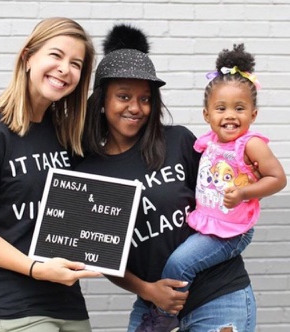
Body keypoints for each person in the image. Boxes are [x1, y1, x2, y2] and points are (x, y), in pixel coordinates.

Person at [76, 24, 260, 332]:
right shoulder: (90, 169)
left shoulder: (177, 142)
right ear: (102, 100)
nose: (135, 108)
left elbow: (225, 188)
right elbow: (104, 255)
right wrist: (148, 291)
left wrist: (250, 177)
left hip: (218, 296)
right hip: (154, 304)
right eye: (123, 96)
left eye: (145, 99)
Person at [0, 17, 101, 332]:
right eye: (56, 55)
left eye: (76, 63)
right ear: (27, 58)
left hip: (68, 302)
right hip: (11, 307)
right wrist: (37, 269)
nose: (65, 68)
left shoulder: (67, 136)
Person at [135, 43, 288, 331]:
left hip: (232, 231)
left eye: (239, 108)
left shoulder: (250, 144)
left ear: (253, 115)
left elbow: (278, 178)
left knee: (179, 263)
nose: (230, 115)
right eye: (221, 108)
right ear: (207, 115)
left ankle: (164, 318)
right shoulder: (208, 142)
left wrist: (245, 192)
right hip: (209, 224)